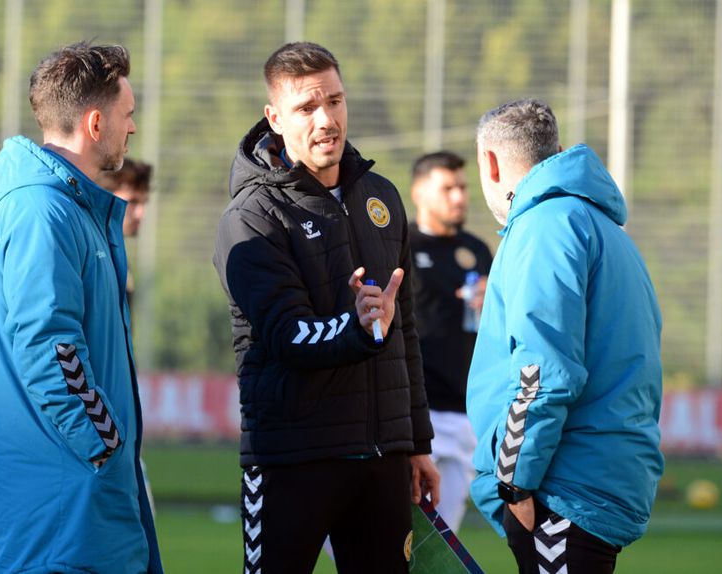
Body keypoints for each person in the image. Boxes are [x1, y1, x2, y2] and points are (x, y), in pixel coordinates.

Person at [213, 41, 439, 574]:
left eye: (335, 102)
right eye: (307, 108)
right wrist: (358, 328)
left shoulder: (380, 196)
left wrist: (417, 441)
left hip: (383, 458)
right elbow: (285, 333)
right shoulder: (251, 217)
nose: (326, 119)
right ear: (275, 118)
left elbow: (402, 330)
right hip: (291, 457)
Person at [0, 41, 162, 573]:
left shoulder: (70, 207)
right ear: (96, 122)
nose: (133, 128)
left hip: (84, 495)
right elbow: (48, 346)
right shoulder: (41, 209)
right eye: (128, 116)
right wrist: (105, 446)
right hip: (64, 501)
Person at [466, 99, 663, 573]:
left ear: (489, 163)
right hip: (593, 477)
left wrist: (513, 482)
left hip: (562, 488)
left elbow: (542, 372)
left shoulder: (546, 225)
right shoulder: (601, 227)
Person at [407, 150, 493, 533]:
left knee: (441, 542)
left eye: (462, 187)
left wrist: (496, 303)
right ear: (419, 193)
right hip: (418, 414)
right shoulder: (400, 245)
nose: (459, 197)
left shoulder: (476, 250)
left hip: (465, 414)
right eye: (447, 188)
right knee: (395, 535)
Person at [98, 158, 153, 311]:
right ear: (105, 196)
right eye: (133, 202)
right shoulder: (94, 255)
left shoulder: (116, 254)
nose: (140, 214)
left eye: (144, 203)